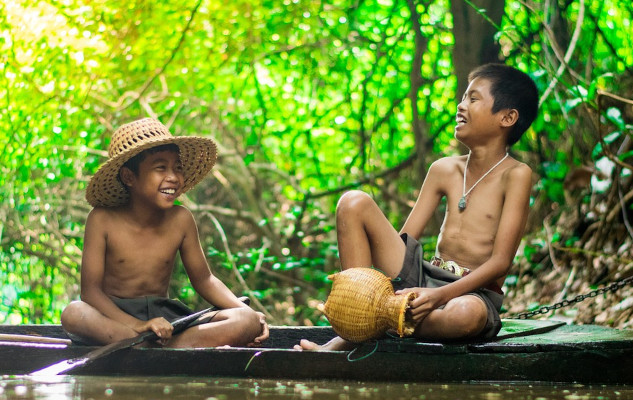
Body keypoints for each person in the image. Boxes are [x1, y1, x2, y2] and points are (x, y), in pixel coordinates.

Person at [296, 63, 539, 350]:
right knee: (353, 202)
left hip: (471, 293)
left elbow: (500, 262)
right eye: (462, 98)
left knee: (466, 316)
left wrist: (438, 297)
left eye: (473, 99)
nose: (461, 106)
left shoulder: (516, 175)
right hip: (423, 276)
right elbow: (405, 241)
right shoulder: (444, 169)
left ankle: (380, 322)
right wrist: (383, 287)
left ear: (508, 117)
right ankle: (357, 326)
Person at [61, 118, 268, 348]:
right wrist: (137, 326)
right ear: (129, 177)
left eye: (177, 168)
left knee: (245, 320)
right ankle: (145, 342)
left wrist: (247, 312)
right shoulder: (102, 219)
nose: (173, 177)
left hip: (167, 321)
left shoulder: (181, 219)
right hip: (116, 320)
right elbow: (90, 292)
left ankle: (156, 346)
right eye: (160, 168)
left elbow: (205, 280)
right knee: (73, 313)